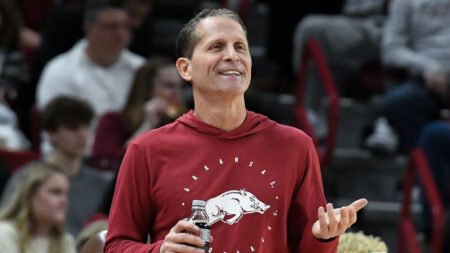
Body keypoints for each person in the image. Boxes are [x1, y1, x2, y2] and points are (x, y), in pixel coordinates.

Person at [105, 8, 368, 253]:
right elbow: (115, 245)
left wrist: (324, 236)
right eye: (216, 46)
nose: (232, 56)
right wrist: (159, 250)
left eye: (240, 47)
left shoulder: (295, 146)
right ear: (185, 69)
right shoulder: (146, 150)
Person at [0, 96, 111, 236]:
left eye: (87, 127)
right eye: (73, 128)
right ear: (51, 133)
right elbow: (8, 224)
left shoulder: (100, 184)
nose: (83, 135)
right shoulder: (25, 178)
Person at [367, 0, 450, 154]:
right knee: (398, 102)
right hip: (426, 78)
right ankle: (423, 170)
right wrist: (429, 69)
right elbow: (391, 51)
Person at [36, 0, 145, 117]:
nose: (122, 34)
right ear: (89, 29)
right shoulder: (60, 72)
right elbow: (56, 128)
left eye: (126, 26)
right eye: (112, 27)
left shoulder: (140, 67)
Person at [90, 56, 185, 171]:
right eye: (169, 86)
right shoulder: (113, 122)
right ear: (146, 88)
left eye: (180, 87)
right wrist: (147, 124)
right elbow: (107, 166)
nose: (176, 94)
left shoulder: (183, 126)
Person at [0, 161, 76, 253]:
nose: (64, 200)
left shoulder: (66, 241)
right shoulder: (4, 234)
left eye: (66, 194)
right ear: (29, 196)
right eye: (55, 192)